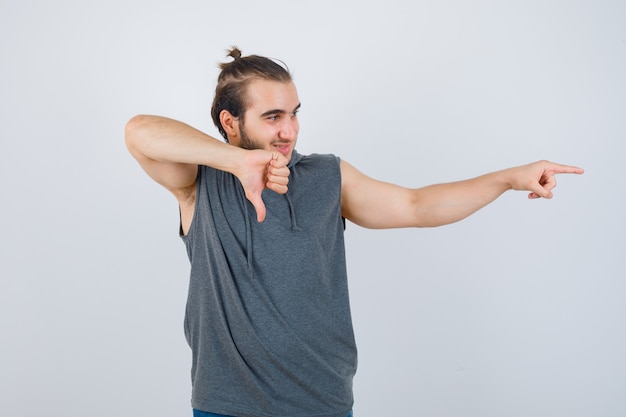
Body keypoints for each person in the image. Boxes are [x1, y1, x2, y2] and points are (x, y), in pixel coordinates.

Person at [125, 47, 584, 417]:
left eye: (294, 113)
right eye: (271, 117)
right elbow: (139, 131)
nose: (289, 130)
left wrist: (508, 178)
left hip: (322, 403)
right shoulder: (196, 184)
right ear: (230, 122)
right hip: (227, 407)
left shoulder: (326, 176)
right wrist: (238, 161)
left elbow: (417, 205)